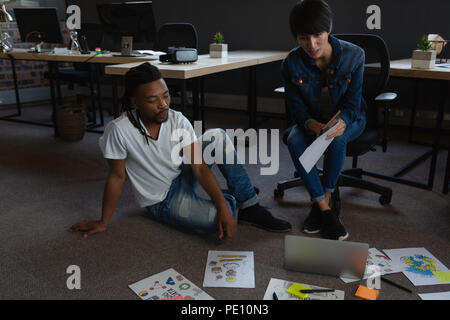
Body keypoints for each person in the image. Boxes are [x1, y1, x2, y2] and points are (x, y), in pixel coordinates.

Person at [68, 62, 291, 239]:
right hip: (162, 201)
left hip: (182, 175)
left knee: (217, 137)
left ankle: (249, 205)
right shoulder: (118, 130)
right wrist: (103, 221)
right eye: (153, 100)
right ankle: (233, 198)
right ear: (135, 102)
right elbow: (117, 176)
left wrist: (220, 204)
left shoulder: (177, 119)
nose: (163, 104)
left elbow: (199, 167)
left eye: (165, 95)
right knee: (221, 221)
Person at [282, 0, 367, 240]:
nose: (312, 45)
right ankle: (325, 210)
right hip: (312, 120)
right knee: (294, 141)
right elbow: (296, 108)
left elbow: (353, 105)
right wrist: (312, 125)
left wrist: (340, 123)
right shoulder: (291, 63)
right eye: (303, 38)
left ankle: (326, 200)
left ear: (329, 28)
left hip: (350, 118)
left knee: (336, 139)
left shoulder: (355, 55)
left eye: (318, 35)